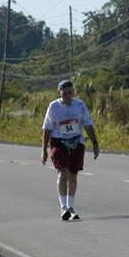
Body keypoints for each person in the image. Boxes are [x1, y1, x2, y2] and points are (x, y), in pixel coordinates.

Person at [41, 80, 99, 221]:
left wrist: (95, 143)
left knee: (73, 174)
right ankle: (63, 208)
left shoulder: (80, 105)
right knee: (63, 172)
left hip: (77, 143)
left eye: (70, 92)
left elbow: (88, 124)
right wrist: (44, 150)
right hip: (59, 142)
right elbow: (47, 128)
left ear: (73, 92)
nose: (67, 95)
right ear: (59, 93)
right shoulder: (54, 107)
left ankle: (70, 207)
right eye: (64, 92)